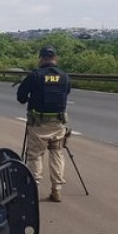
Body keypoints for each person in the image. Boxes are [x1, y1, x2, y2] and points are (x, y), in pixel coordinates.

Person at [16, 46, 71, 202]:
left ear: (41, 59)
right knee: (57, 153)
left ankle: (34, 188)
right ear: (56, 58)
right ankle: (57, 189)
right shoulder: (65, 76)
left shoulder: (35, 76)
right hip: (58, 124)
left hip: (38, 124)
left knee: (35, 156)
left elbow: (21, 97)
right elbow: (66, 94)